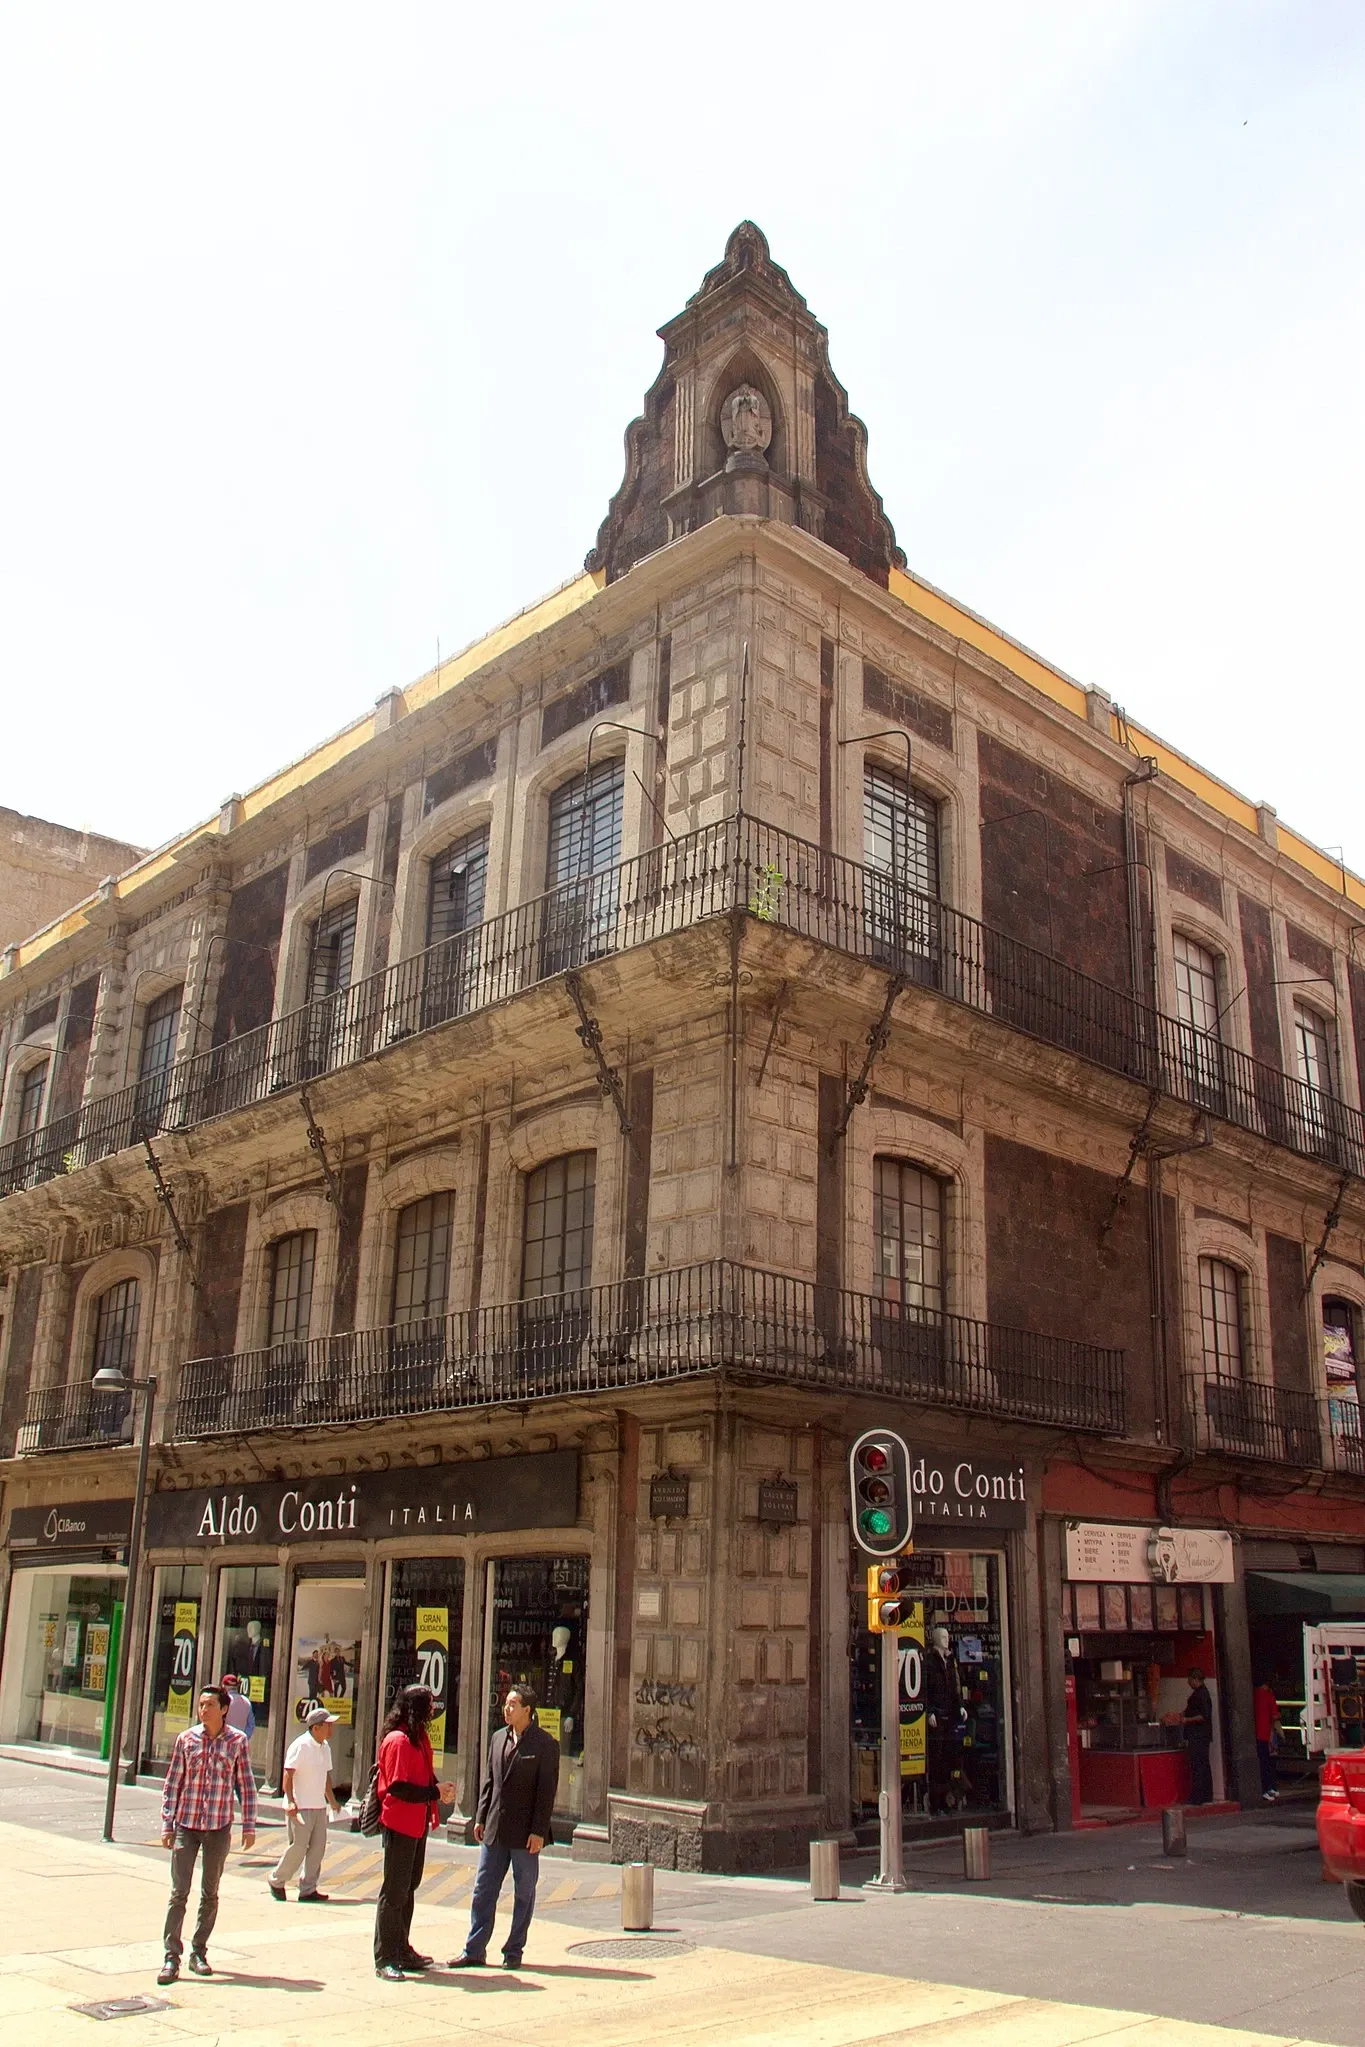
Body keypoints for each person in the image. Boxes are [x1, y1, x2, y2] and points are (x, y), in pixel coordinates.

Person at [448, 1683, 560, 1973]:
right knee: (483, 1889)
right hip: (495, 1829)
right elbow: (489, 1783)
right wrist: (481, 1816)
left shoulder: (545, 1745)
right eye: (506, 1703)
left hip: (525, 1834)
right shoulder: (498, 1738)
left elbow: (546, 1793)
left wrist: (538, 1831)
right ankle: (474, 1949)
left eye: (513, 1704)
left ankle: (514, 1949)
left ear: (527, 1710)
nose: (506, 1708)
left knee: (524, 1891)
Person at [158, 1684, 257, 1985]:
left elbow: (246, 1783)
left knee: (209, 1893)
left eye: (210, 1705)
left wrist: (249, 1824)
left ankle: (198, 1951)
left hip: (218, 1826)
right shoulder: (186, 1739)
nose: (204, 1710)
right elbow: (173, 1782)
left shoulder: (237, 1741)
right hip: (187, 1825)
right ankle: (170, 1956)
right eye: (201, 1705)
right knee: (179, 1892)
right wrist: (167, 1823)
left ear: (224, 1709)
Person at [373, 1683, 455, 1982]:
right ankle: (385, 1956)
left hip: (418, 1822)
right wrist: (433, 1791)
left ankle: (402, 1947)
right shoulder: (397, 1741)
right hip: (400, 1823)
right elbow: (397, 1786)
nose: (433, 1709)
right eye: (428, 1704)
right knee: (394, 1891)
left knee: (409, 1887)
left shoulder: (418, 1739)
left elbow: (423, 1775)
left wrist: (437, 1790)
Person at [269, 1704, 341, 1901]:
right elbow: (288, 1774)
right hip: (301, 1806)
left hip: (318, 1806)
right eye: (328, 1725)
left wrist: (332, 1801)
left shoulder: (325, 1747)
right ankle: (277, 1879)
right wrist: (290, 1801)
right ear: (316, 1727)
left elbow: (326, 1776)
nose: (331, 1729)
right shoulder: (300, 1745)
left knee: (318, 1848)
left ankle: (308, 1888)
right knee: (298, 1847)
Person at [924, 1627, 963, 1817]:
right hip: (937, 1715)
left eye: (948, 1636)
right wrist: (929, 1710)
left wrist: (960, 1706)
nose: (946, 1640)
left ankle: (948, 1799)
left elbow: (955, 1686)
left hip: (949, 1714)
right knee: (936, 1759)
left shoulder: (950, 1661)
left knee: (949, 1758)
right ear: (935, 1639)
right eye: (943, 1637)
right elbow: (925, 1687)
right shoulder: (930, 1661)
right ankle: (936, 1802)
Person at [1181, 1666, 1215, 1805]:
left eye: (1190, 1680)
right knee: (1203, 1764)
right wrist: (1182, 1715)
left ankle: (1198, 1796)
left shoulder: (1202, 1694)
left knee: (1198, 1765)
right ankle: (1206, 1794)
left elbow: (1204, 1716)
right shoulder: (1200, 1694)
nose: (1189, 1683)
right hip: (1200, 1734)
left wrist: (1187, 1719)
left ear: (1195, 1679)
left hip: (1199, 1735)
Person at [1253, 1677, 1282, 1802]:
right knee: (1270, 1763)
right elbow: (1275, 1715)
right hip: (1268, 1734)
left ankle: (1265, 1789)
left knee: (1262, 1763)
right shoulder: (1269, 1696)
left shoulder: (1254, 1695)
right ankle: (1271, 1788)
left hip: (1257, 1734)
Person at [220, 1671, 256, 1743]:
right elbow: (251, 1725)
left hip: (222, 1741)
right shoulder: (246, 1701)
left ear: (223, 1685)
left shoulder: (222, 1700)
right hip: (239, 1742)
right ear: (237, 1686)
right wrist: (243, 1738)